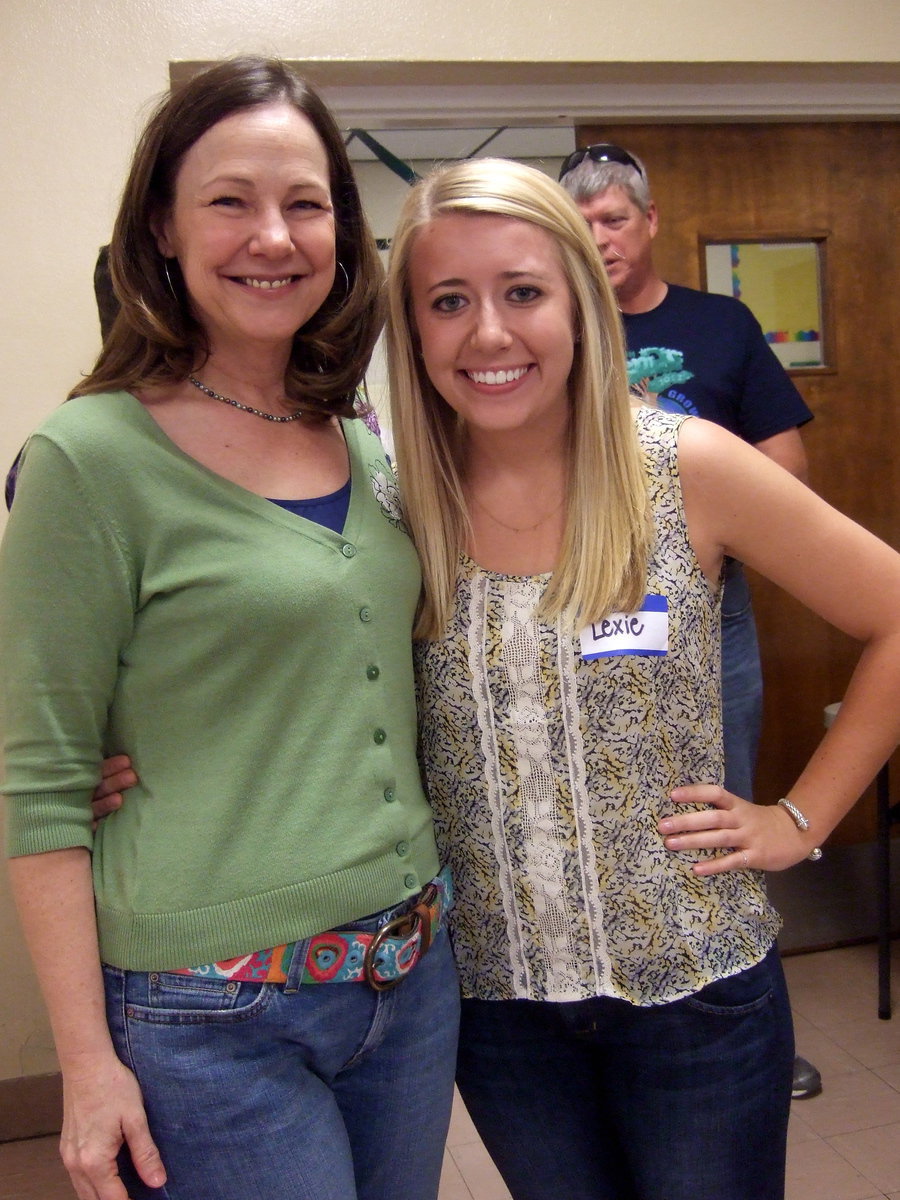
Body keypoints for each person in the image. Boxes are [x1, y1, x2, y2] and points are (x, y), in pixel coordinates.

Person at [381, 157, 900, 1200]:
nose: (488, 333)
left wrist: (802, 819)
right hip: (499, 1006)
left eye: (522, 291)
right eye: (448, 302)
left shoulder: (683, 465)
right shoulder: (398, 508)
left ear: (579, 297)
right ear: (416, 331)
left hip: (694, 993)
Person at [0, 57, 459, 1200]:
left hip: (408, 978)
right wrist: (86, 1063)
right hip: (209, 1012)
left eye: (306, 204)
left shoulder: (355, 437)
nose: (274, 236)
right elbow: (41, 777)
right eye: (230, 201)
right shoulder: (89, 458)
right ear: (162, 226)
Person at [557, 142, 822, 1099]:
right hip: (575, 601)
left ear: (650, 221)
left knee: (715, 819)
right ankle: (607, 1023)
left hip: (708, 613)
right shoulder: (548, 326)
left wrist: (692, 482)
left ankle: (739, 1031)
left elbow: (786, 476)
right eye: (580, 225)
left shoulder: (719, 324)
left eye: (615, 219)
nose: (601, 239)